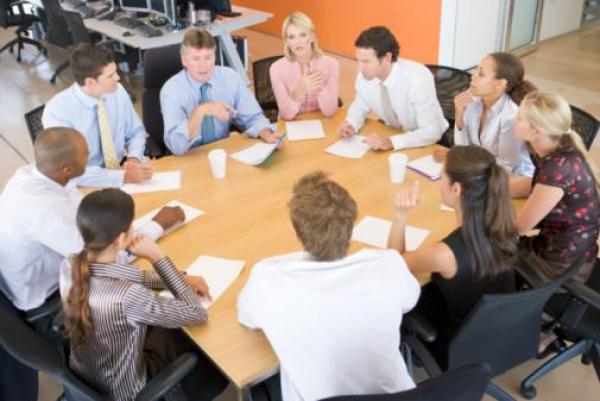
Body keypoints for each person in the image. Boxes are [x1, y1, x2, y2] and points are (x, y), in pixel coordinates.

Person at [238, 171, 420, 401]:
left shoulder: (268, 280)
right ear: (351, 226)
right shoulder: (389, 265)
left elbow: (246, 317)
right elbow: (409, 300)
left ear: (295, 231)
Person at [0, 128, 182, 340]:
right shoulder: (46, 211)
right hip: (52, 303)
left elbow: (83, 212)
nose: (90, 155)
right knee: (164, 308)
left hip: (61, 272)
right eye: (86, 153)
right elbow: (105, 259)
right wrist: (157, 225)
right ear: (67, 169)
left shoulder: (42, 173)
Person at [60, 188, 227, 401]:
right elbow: (196, 313)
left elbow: (131, 276)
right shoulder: (127, 296)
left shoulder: (71, 264)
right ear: (121, 239)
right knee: (201, 339)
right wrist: (158, 256)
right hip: (126, 390)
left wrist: (179, 277)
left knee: (169, 328)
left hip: (93, 373)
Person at [388, 146, 517, 363]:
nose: (440, 183)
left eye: (442, 177)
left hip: (457, 343)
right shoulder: (504, 220)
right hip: (496, 329)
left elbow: (394, 265)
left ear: (456, 189)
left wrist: (400, 216)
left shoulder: (444, 254)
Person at [511, 92, 600, 283]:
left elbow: (520, 227)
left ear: (536, 131)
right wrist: (496, 189)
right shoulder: (560, 147)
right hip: (564, 251)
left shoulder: (558, 167)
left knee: (481, 255)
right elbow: (539, 184)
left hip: (560, 267)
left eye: (519, 119)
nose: (514, 121)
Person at [42, 44, 153, 188]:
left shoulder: (118, 92)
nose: (118, 77)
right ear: (90, 82)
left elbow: (136, 131)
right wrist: (122, 177)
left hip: (120, 171)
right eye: (110, 75)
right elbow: (70, 170)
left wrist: (134, 158)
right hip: (84, 183)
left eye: (115, 71)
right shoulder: (58, 111)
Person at [161, 28, 281, 155]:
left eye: (208, 57)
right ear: (184, 60)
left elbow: (253, 117)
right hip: (188, 157)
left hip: (222, 152)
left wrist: (266, 133)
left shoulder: (230, 77)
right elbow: (177, 147)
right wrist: (201, 111)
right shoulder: (171, 90)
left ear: (215, 56)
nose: (203, 65)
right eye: (196, 59)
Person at [339, 26, 448, 151]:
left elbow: (432, 131)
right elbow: (360, 105)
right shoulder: (364, 77)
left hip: (429, 144)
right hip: (394, 135)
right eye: (358, 61)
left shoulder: (417, 79)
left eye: (366, 62)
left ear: (387, 58)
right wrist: (352, 123)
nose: (360, 68)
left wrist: (392, 142)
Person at [434, 52, 535, 176]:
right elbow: (463, 148)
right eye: (476, 70)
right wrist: (459, 117)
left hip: (514, 178)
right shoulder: (472, 98)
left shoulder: (511, 116)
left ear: (500, 84)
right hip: (482, 172)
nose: (473, 76)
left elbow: (505, 166)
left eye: (481, 74)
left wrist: (456, 159)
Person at [269, 12, 339, 120]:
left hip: (320, 121)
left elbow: (330, 112)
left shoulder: (331, 65)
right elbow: (286, 116)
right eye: (291, 37)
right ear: (286, 42)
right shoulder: (276, 69)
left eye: (303, 35)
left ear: (312, 37)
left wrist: (322, 89)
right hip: (291, 124)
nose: (298, 41)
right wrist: (297, 93)